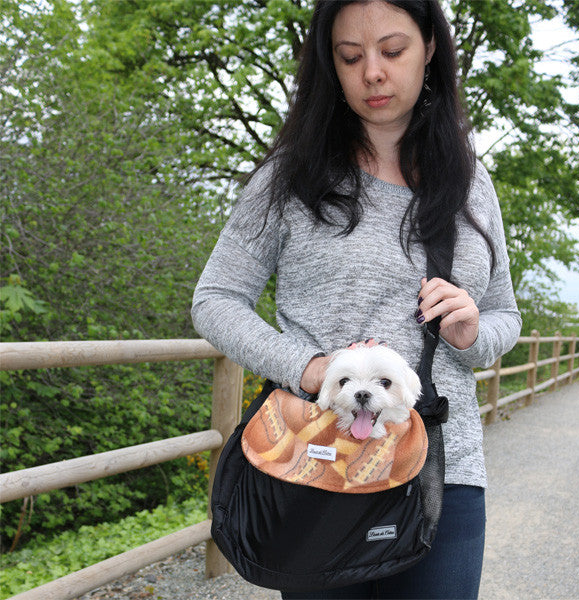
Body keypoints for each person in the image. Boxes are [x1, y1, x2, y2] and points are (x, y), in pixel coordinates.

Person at [191, 0, 521, 598]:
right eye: (351, 56)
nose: (372, 71)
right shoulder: (291, 177)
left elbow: (504, 315)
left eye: (392, 51)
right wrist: (311, 368)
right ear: (331, 67)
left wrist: (473, 333)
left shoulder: (471, 181)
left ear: (430, 51)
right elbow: (215, 299)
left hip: (443, 472)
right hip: (321, 462)